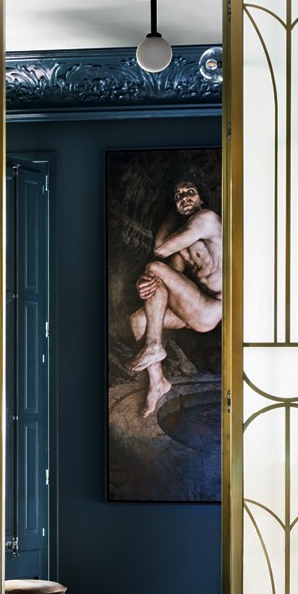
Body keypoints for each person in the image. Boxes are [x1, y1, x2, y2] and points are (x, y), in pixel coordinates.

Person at [126, 178, 222, 417]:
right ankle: (158, 382)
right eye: (178, 195)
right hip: (195, 307)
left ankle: (153, 345)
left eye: (191, 192)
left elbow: (159, 250)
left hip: (214, 308)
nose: (185, 197)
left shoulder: (207, 219)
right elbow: (166, 280)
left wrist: (179, 205)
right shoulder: (183, 244)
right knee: (139, 320)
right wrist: (143, 285)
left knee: (154, 267)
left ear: (201, 198)